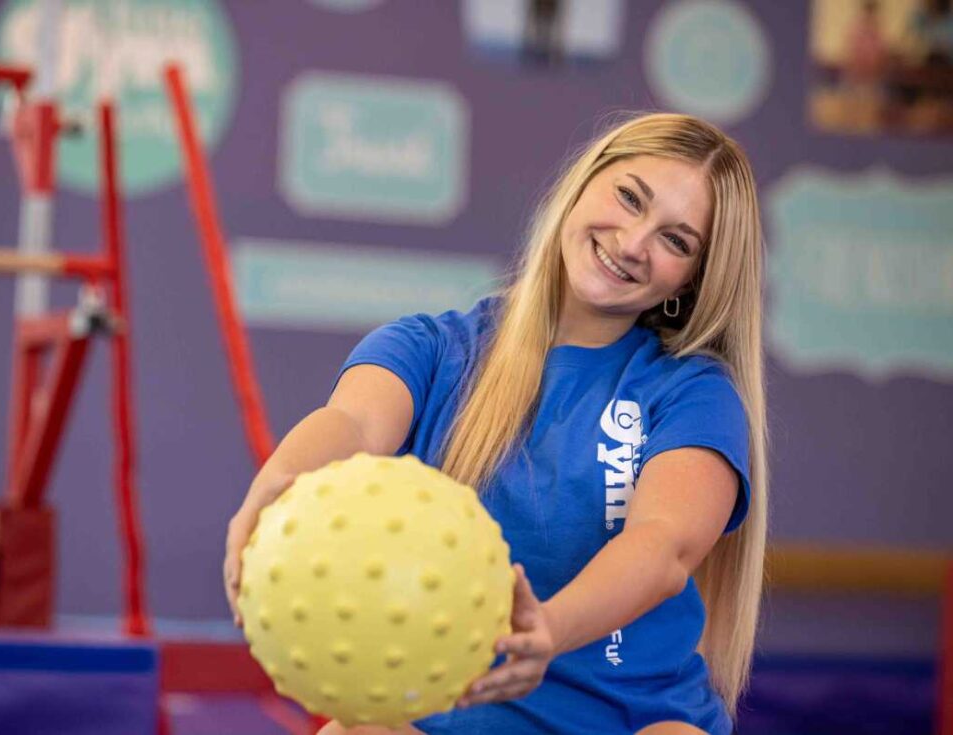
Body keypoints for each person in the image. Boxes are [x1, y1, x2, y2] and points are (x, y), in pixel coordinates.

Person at [224, 112, 768, 735]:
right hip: (443, 718)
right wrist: (280, 482)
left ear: (692, 281)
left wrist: (549, 633)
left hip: (631, 721)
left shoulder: (694, 393)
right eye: (628, 197)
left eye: (676, 240)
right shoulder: (432, 346)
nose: (633, 243)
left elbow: (664, 545)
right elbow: (351, 423)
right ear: (584, 184)